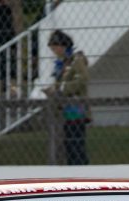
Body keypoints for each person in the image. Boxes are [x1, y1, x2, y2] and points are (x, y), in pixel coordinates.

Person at [44, 30, 90, 165]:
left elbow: (83, 78)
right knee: (68, 143)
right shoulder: (61, 63)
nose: (53, 51)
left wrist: (62, 89)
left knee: (76, 142)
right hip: (64, 109)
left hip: (76, 108)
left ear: (62, 46)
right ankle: (72, 168)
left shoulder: (76, 60)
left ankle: (81, 169)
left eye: (55, 48)